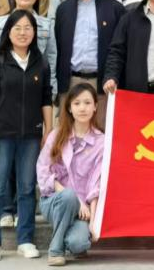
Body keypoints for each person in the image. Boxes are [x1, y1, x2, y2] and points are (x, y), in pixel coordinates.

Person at [0, 9, 53, 262]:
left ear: (35, 33)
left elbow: (46, 98)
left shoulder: (40, 62)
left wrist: (48, 130)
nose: (23, 33)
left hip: (31, 136)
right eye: (17, 28)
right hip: (2, 134)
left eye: (28, 28)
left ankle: (25, 240)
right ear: (8, 33)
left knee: (27, 188)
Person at [36, 83, 104, 266]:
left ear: (95, 107)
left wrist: (93, 222)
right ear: (69, 108)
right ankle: (56, 250)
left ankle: (72, 238)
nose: (82, 108)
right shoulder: (56, 136)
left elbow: (97, 184)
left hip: (83, 211)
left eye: (87, 103)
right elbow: (43, 172)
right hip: (55, 200)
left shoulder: (101, 142)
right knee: (68, 197)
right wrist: (76, 200)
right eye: (77, 103)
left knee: (79, 244)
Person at [53, 0, 124, 125]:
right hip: (70, 82)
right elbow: (57, 47)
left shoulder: (115, 8)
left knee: (100, 133)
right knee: (67, 133)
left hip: (102, 84)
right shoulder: (64, 9)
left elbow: (120, 48)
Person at [0, 0, 58, 97]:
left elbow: (51, 58)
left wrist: (52, 89)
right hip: (4, 87)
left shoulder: (46, 25)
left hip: (35, 86)